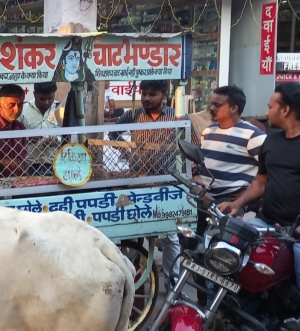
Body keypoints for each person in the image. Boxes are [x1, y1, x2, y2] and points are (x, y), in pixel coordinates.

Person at [112, 79, 199, 290]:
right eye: (144, 93)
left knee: (170, 234)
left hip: (166, 181)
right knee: (133, 232)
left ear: (164, 95)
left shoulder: (177, 116)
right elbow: (113, 134)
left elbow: (193, 143)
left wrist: (190, 167)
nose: (146, 98)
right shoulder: (133, 115)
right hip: (137, 181)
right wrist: (126, 151)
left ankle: (172, 283)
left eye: (152, 94)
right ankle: (132, 280)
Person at [219, 83, 300, 289]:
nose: (266, 112)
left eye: (270, 106)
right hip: (266, 224)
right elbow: (261, 182)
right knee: (225, 254)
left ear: (285, 110)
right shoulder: (271, 142)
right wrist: (237, 203)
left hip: (297, 234)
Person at [197, 85, 266, 233]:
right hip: (204, 198)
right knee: (196, 245)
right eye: (211, 104)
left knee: (222, 248)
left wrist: (248, 194)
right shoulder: (208, 131)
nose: (211, 108)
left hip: (227, 201)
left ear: (234, 108)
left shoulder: (253, 135)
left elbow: (273, 169)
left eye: (217, 105)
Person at [18, 81, 61, 175]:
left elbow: (71, 137)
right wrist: (27, 139)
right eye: (42, 98)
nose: (46, 102)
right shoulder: (23, 110)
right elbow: (13, 138)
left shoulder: (61, 110)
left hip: (56, 165)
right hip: (28, 166)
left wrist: (56, 140)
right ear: (34, 94)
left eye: (50, 98)